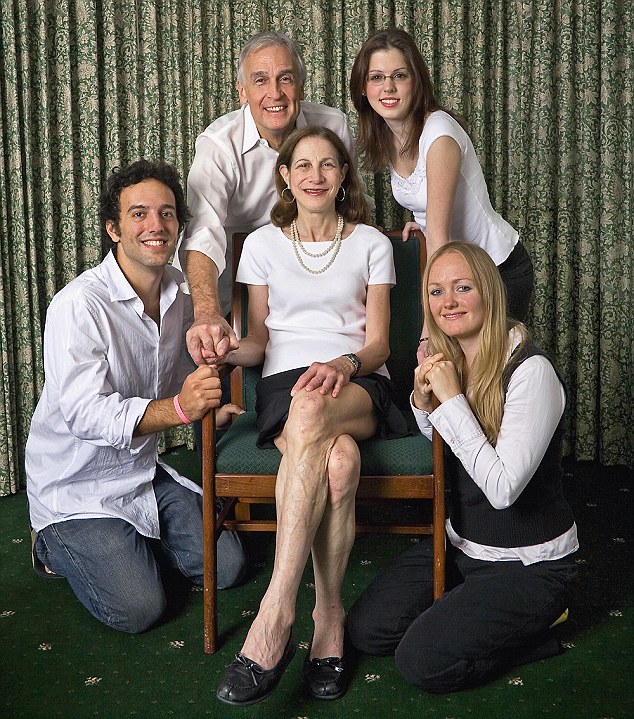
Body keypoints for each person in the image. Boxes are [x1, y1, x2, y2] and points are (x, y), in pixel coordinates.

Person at [213, 126, 410, 706]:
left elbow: (379, 344)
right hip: (286, 387)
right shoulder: (261, 245)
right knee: (340, 466)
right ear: (285, 176)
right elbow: (256, 342)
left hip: (356, 381)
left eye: (328, 165)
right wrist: (224, 349)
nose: (315, 176)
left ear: (344, 175)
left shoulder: (370, 242)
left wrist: (343, 364)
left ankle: (275, 613)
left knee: (313, 409)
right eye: (303, 165)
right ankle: (327, 620)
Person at [25, 160, 246, 634]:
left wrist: (210, 406)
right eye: (139, 214)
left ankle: (132, 543)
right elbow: (86, 415)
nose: (156, 226)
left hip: (140, 472)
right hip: (76, 487)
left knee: (228, 567)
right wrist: (182, 408)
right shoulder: (78, 305)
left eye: (167, 214)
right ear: (113, 229)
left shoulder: (181, 294)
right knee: (140, 609)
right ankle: (49, 543)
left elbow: (178, 375)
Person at [347, 241, 578, 692]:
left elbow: (503, 489)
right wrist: (423, 404)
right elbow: (449, 444)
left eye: (463, 287)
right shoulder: (453, 360)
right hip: (463, 545)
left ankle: (539, 630)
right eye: (436, 291)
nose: (448, 302)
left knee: (420, 661)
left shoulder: (531, 371)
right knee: (367, 631)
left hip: (529, 565)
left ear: (489, 291)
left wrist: (451, 400)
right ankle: (470, 610)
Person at [176, 30, 366, 367]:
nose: (274, 93)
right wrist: (206, 313)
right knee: (211, 365)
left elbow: (350, 205)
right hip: (223, 278)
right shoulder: (219, 145)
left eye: (285, 79)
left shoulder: (332, 125)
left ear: (301, 87)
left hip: (305, 275)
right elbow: (203, 233)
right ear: (243, 92)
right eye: (260, 80)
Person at [350, 28, 534, 354]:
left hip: (497, 272)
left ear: (416, 82)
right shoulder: (388, 134)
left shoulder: (439, 133)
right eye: (376, 77)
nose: (388, 87)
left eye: (399, 75)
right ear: (363, 89)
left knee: (486, 373)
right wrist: (421, 220)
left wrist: (429, 331)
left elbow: (439, 236)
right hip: (458, 273)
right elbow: (433, 211)